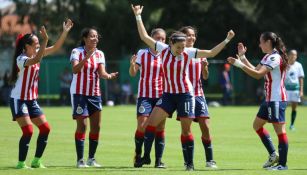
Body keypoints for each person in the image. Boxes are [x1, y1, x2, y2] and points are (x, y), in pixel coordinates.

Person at [131, 4, 234, 171]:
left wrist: (227, 39)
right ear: (171, 44)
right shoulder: (163, 49)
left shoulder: (189, 52)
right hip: (168, 95)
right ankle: (147, 157)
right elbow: (143, 35)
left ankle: (189, 164)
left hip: (186, 95)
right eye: (178, 47)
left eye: (184, 47)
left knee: (186, 131)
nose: (181, 50)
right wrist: (138, 15)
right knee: (150, 124)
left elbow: (211, 53)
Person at [9, 19, 73, 169]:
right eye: (36, 43)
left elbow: (56, 48)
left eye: (39, 43)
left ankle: (36, 161)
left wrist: (65, 32)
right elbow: (37, 59)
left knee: (45, 129)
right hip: (19, 100)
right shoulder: (21, 59)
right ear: (26, 46)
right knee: (28, 130)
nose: (38, 46)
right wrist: (45, 39)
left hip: (31, 100)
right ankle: (21, 163)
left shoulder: (36, 53)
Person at [227, 32, 289, 170]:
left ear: (268, 42)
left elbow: (257, 75)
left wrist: (238, 64)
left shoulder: (274, 57)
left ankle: (282, 165)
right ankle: (274, 154)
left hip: (276, 99)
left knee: (280, 132)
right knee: (257, 125)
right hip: (269, 99)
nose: (259, 44)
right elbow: (255, 69)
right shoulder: (268, 56)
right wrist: (243, 57)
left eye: (261, 42)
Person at [70, 27, 119, 168]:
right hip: (79, 93)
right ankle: (80, 160)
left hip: (95, 94)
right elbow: (75, 70)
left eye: (97, 36)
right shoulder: (76, 52)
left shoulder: (100, 54)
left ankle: (91, 159)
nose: (95, 39)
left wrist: (109, 76)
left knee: (96, 127)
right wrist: (86, 57)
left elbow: (102, 73)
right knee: (82, 126)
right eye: (92, 36)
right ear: (84, 38)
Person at [179, 26, 217, 168]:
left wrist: (205, 68)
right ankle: (188, 162)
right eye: (188, 35)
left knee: (206, 127)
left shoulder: (200, 54)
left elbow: (205, 77)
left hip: (199, 95)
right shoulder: (178, 53)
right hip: (184, 95)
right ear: (182, 37)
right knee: (186, 130)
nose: (191, 37)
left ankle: (210, 160)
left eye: (193, 35)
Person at [129, 28, 167, 168]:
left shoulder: (167, 54)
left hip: (162, 96)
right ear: (151, 38)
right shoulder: (142, 53)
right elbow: (133, 73)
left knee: (160, 128)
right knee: (142, 126)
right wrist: (132, 65)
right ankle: (138, 154)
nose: (161, 41)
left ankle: (158, 160)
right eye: (158, 38)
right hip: (145, 95)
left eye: (163, 39)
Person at [284, 50, 304, 130]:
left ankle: (292, 125)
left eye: (295, 55)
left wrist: (301, 90)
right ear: (288, 55)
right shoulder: (285, 65)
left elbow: (301, 78)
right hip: (286, 89)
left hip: (295, 89)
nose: (293, 56)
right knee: (283, 107)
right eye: (292, 54)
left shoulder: (299, 65)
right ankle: (282, 124)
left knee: (294, 108)